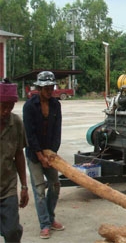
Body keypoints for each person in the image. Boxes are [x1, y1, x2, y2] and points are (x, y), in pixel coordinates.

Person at [23, 71, 65, 239]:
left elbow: (57, 132)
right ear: (39, 88)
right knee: (40, 190)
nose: (49, 91)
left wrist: (52, 154)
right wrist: (40, 156)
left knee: (55, 186)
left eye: (51, 88)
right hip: (34, 154)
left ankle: (50, 217)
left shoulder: (56, 105)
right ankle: (45, 224)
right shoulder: (29, 106)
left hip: (50, 153)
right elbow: (29, 134)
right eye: (46, 88)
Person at [0, 79, 29, 243]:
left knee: (11, 232)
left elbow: (19, 155)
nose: (6, 111)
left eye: (10, 106)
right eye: (3, 106)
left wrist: (24, 186)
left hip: (7, 189)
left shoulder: (16, 123)